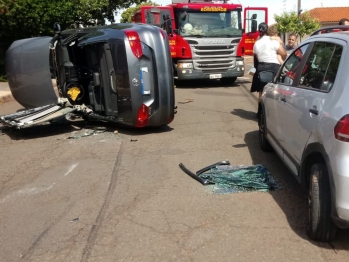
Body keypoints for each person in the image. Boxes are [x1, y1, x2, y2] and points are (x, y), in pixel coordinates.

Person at [251, 22, 286, 115]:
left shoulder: (257, 43)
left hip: (261, 67)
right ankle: (273, 113)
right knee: (274, 91)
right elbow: (284, 54)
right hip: (274, 68)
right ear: (267, 30)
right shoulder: (274, 41)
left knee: (261, 92)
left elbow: (257, 57)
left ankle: (260, 113)